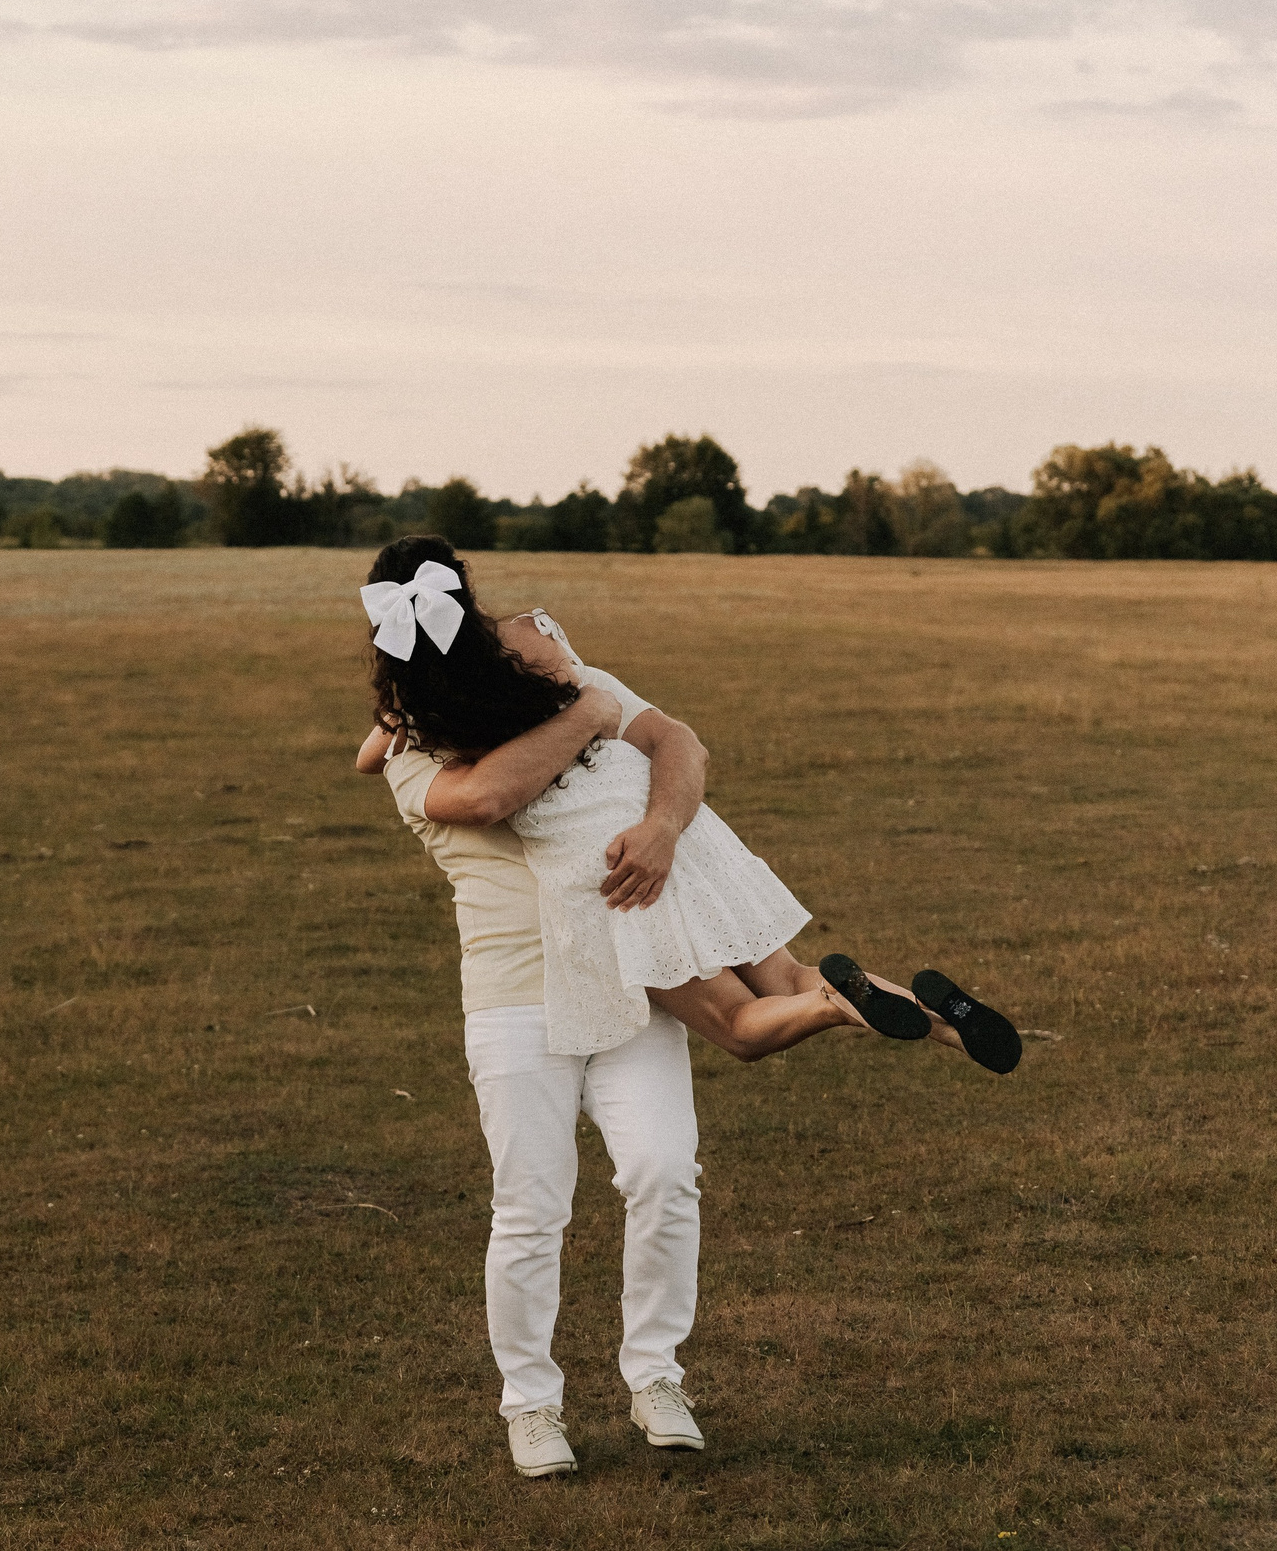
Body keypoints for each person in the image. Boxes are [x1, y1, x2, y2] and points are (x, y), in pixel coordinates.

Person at [354, 535, 1017, 1479]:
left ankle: (656, 1376)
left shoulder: (517, 694)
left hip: (625, 977)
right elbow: (497, 789)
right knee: (532, 1207)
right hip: (517, 1003)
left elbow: (678, 744)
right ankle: (532, 1406)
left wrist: (661, 822)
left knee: (666, 1175)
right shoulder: (423, 755)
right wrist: (586, 701)